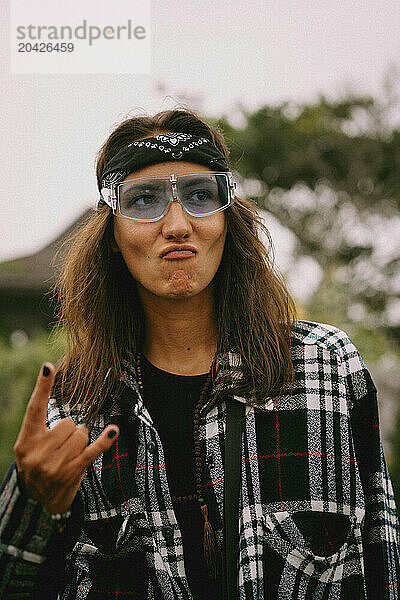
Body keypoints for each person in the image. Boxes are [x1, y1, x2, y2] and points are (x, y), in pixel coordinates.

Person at [0, 108, 399, 600]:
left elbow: (382, 562)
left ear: (227, 219)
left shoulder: (327, 367)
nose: (177, 224)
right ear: (113, 235)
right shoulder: (75, 407)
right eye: (144, 200)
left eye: (198, 196)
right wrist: (34, 505)